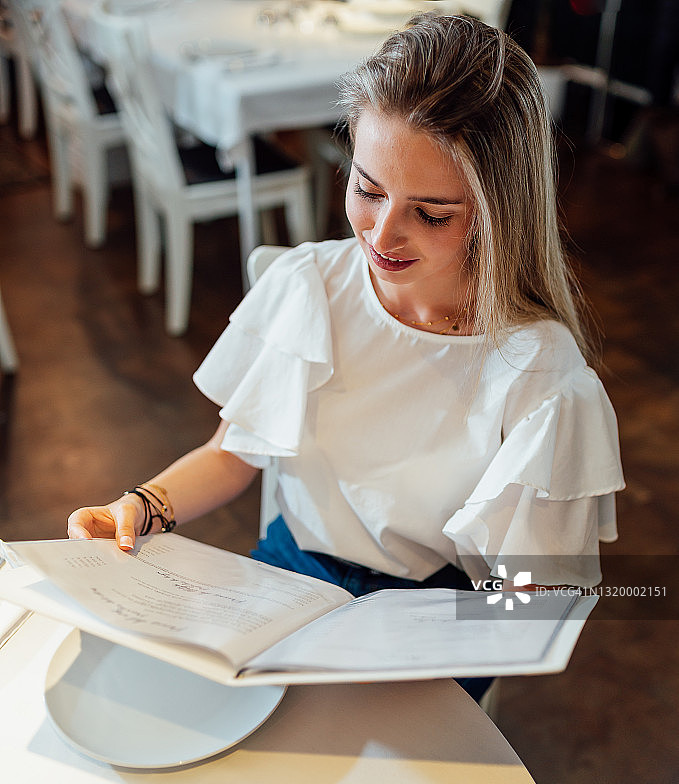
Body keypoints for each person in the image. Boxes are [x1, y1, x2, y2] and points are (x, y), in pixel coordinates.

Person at [67, 13, 625, 701]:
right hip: (284, 580)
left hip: (433, 616)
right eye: (366, 188)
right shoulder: (311, 287)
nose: (381, 234)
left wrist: (514, 599)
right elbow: (232, 453)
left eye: (431, 212)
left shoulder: (538, 375)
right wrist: (141, 506)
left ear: (497, 209)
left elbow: (533, 596)